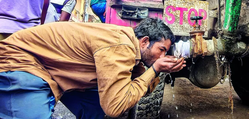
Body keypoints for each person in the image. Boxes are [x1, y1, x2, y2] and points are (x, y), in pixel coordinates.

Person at [0, 18, 185, 119]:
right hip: (22, 61)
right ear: (145, 41)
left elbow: (134, 91)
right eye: (161, 50)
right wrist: (154, 70)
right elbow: (115, 106)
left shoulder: (131, 49)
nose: (162, 56)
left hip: (54, 70)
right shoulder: (121, 46)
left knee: (97, 107)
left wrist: (157, 70)